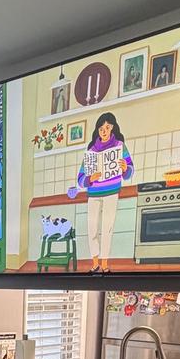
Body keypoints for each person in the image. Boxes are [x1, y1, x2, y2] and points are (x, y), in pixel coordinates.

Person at [75, 113, 133, 273]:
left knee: (107, 229)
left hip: (112, 192)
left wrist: (125, 168)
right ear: (98, 130)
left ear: (113, 127)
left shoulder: (120, 147)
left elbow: (129, 172)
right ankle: (95, 264)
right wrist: (89, 179)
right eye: (101, 128)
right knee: (92, 228)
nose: (104, 131)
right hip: (93, 194)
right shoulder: (91, 150)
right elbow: (80, 178)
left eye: (107, 128)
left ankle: (105, 264)